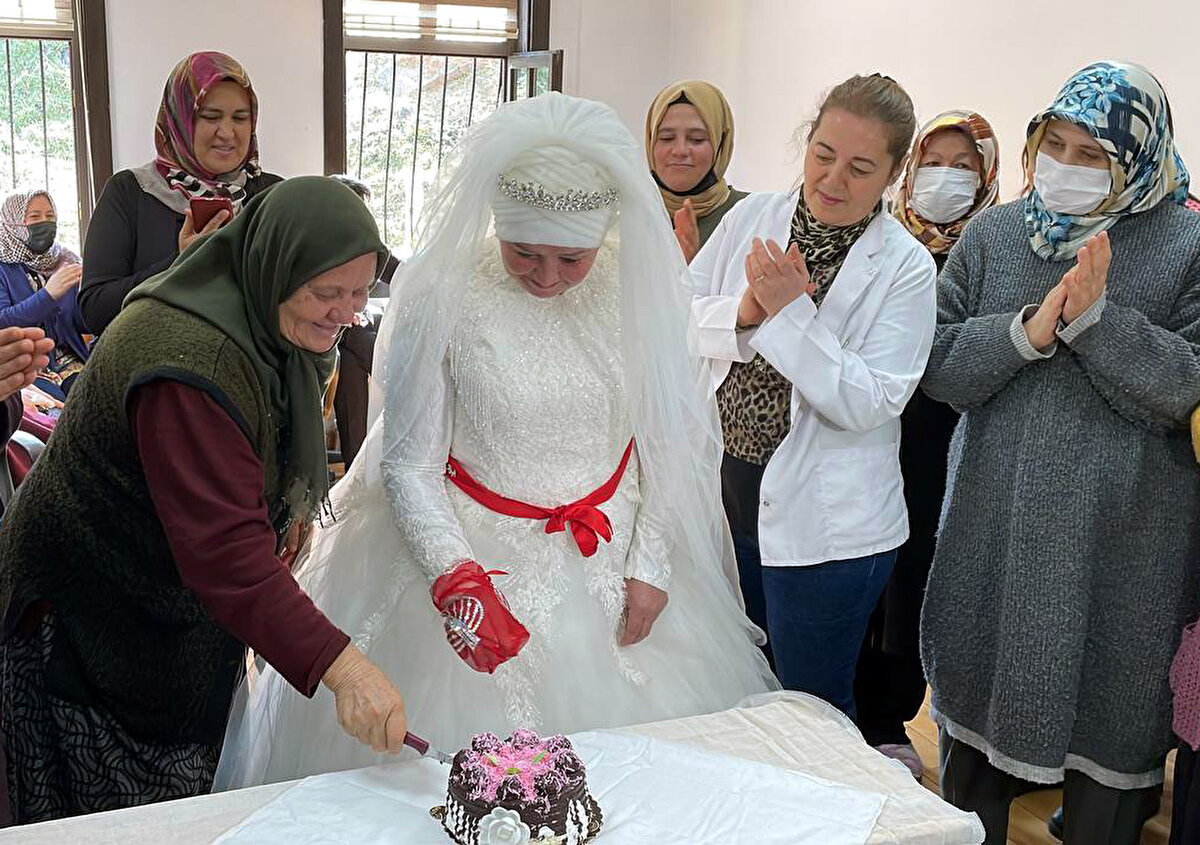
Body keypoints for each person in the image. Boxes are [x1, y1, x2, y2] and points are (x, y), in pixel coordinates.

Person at [215, 92, 778, 789]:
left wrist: (654, 562)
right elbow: (411, 462)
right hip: (473, 557)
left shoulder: (635, 290)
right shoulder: (444, 292)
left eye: (570, 258)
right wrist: (457, 579)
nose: (546, 276)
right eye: (524, 253)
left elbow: (664, 438)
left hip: (611, 558)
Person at [0, 178, 408, 825]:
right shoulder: (190, 360)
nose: (343, 312)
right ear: (275, 263)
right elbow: (226, 556)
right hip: (88, 618)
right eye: (327, 292)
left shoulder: (269, 325)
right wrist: (346, 667)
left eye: (358, 294)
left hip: (161, 607)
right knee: (120, 820)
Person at [920, 61, 1199, 845]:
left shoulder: (1188, 242)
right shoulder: (997, 231)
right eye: (1056, 145)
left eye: (1091, 154)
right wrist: (1026, 332)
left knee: (1107, 740)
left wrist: (1099, 322)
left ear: (1138, 158)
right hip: (993, 535)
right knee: (969, 767)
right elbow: (939, 365)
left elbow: (1191, 388)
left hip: (1123, 553)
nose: (1065, 169)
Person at [689, 73, 936, 719]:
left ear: (892, 173)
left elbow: (867, 399)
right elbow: (676, 314)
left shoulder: (906, 267)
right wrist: (744, 308)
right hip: (729, 501)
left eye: (859, 167)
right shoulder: (751, 217)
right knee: (735, 693)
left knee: (810, 711)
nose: (832, 179)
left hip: (830, 534)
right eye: (822, 154)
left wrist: (788, 314)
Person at [853, 109, 1000, 778]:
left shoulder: (996, 249)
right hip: (863, 434)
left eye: (965, 166)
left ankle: (890, 717)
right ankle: (837, 709)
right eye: (935, 162)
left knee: (913, 582)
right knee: (857, 574)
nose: (947, 177)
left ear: (988, 174)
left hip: (942, 449)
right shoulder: (873, 238)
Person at [79, 51, 281, 335]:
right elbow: (95, 311)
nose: (227, 132)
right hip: (153, 371)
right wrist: (182, 261)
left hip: (251, 374)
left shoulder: (272, 195)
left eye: (240, 118)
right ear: (179, 120)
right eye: (210, 116)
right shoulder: (130, 192)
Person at [327, 174, 400, 467]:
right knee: (356, 339)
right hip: (323, 329)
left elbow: (402, 275)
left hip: (347, 336)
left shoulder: (367, 246)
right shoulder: (315, 242)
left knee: (350, 359)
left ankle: (355, 466)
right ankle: (400, 383)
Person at [0, 191, 89, 398]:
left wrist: (90, 295)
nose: (45, 223)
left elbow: (82, 324)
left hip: (67, 361)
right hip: (25, 366)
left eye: (50, 216)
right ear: (12, 222)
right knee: (56, 416)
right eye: (34, 217)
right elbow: (3, 323)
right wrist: (48, 295)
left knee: (95, 403)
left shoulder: (63, 259)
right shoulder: (3, 265)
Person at [646, 80, 746, 263]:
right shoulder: (624, 216)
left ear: (720, 144)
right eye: (666, 138)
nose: (680, 150)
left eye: (697, 139)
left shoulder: (749, 215)